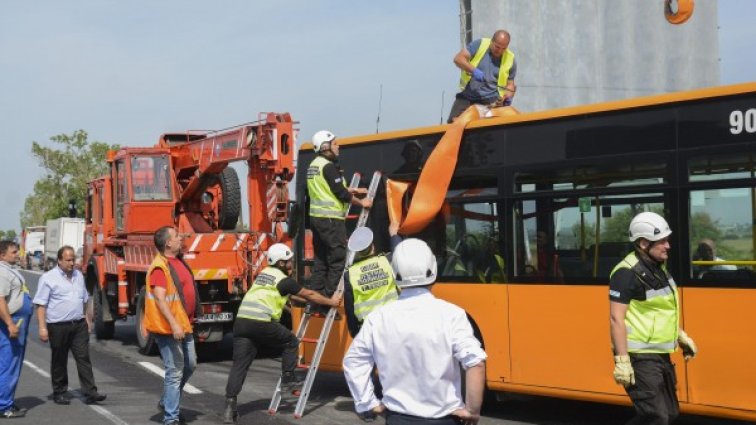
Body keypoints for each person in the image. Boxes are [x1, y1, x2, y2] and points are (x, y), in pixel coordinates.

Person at [343, 238, 487, 425]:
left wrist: (367, 403)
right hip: (444, 420)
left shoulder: (377, 319)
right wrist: (472, 410)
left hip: (397, 418)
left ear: (394, 273)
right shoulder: (452, 314)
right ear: (433, 269)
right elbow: (476, 363)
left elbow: (354, 362)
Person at [222, 243, 341, 424]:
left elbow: (290, 296)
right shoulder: (283, 279)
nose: (292, 264)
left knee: (239, 366)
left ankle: (230, 407)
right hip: (260, 322)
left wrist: (305, 302)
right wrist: (330, 302)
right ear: (280, 263)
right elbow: (308, 293)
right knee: (291, 341)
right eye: (289, 261)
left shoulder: (264, 275)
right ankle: (288, 378)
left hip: (241, 323)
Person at [609, 212, 698, 425]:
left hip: (661, 355)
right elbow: (616, 319)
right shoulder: (626, 273)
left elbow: (661, 310)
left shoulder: (659, 269)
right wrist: (622, 361)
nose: (668, 246)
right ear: (643, 243)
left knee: (671, 413)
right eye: (662, 241)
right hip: (639, 357)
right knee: (656, 417)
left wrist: (679, 336)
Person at [307, 130, 372, 314]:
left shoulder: (314, 165)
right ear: (325, 147)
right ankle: (327, 303)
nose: (338, 146)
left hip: (317, 220)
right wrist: (362, 202)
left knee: (320, 263)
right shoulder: (328, 166)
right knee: (337, 261)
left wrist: (354, 189)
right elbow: (341, 194)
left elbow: (330, 187)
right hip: (331, 220)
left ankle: (313, 303)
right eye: (335, 143)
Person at [33, 246, 106, 406]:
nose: (72, 263)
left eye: (73, 259)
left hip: (78, 325)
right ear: (59, 260)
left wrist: (88, 319)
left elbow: (85, 299)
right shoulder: (48, 278)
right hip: (57, 326)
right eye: (68, 260)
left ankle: (90, 392)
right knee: (59, 359)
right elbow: (41, 305)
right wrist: (42, 327)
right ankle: (59, 392)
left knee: (83, 357)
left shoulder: (79, 276)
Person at [144, 226, 201, 425]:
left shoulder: (179, 261)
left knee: (190, 364)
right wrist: (174, 324)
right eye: (177, 236)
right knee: (175, 371)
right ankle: (171, 418)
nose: (181, 237)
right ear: (168, 243)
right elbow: (160, 299)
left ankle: (167, 401)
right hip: (169, 328)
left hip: (184, 325)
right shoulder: (161, 267)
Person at [447, 29, 517, 123]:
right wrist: (474, 71)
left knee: (499, 126)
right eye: (497, 47)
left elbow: (510, 84)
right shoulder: (480, 45)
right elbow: (458, 59)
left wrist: (506, 97)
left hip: (491, 102)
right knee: (454, 124)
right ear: (491, 41)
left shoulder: (510, 59)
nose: (499, 51)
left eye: (503, 48)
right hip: (468, 97)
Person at [0, 241, 32, 418]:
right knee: (8, 365)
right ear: (2, 255)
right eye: (13, 252)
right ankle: (3, 406)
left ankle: (8, 401)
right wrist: (10, 324)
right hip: (12, 324)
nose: (17, 254)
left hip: (17, 322)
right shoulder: (2, 273)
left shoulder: (9, 270)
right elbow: (0, 300)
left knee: (12, 364)